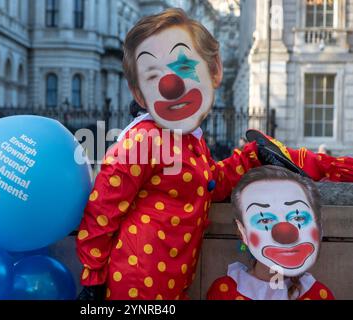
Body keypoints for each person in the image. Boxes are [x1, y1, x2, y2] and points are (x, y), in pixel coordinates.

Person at [76, 8, 353, 300]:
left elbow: (210, 183)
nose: (170, 85)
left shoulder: (188, 141)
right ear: (140, 93)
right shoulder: (143, 140)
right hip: (135, 287)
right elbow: (102, 209)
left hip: (172, 285)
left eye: (183, 67)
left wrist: (252, 156)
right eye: (154, 76)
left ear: (215, 71)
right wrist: (93, 278)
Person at [207, 166, 334, 300]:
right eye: (265, 220)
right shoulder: (225, 292)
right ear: (242, 231)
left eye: (298, 218)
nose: (284, 233)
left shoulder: (317, 294)